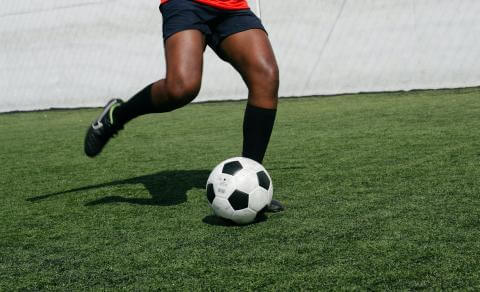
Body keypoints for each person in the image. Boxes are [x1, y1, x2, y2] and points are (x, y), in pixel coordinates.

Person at [84, 0, 284, 212]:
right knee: (181, 87)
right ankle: (118, 115)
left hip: (231, 6)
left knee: (266, 77)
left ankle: (249, 181)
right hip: (186, 4)